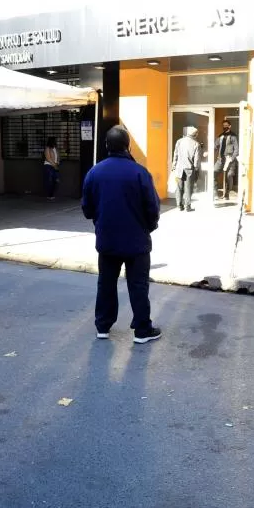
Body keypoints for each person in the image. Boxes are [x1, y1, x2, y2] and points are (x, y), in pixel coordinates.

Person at [82, 125, 162, 344]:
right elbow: (152, 208)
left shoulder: (94, 172)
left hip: (107, 240)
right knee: (138, 285)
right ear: (128, 146)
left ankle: (103, 326)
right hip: (136, 241)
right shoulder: (139, 172)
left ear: (107, 145)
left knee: (106, 283)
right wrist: (149, 226)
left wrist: (101, 221)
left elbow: (87, 209)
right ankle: (142, 330)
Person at [172, 126, 201, 212]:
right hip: (189, 169)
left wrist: (174, 166)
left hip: (179, 168)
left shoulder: (179, 141)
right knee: (188, 188)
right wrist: (196, 169)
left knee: (179, 187)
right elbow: (197, 160)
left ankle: (179, 205)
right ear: (195, 134)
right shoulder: (196, 144)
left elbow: (175, 155)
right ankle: (187, 207)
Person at [215, 119, 240, 200]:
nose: (225, 127)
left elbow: (236, 149)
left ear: (230, 126)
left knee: (229, 176)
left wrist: (232, 159)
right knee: (213, 173)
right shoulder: (221, 136)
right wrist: (208, 152)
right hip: (220, 159)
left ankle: (227, 194)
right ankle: (215, 194)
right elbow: (215, 146)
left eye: (226, 125)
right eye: (224, 126)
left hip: (230, 159)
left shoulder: (233, 136)